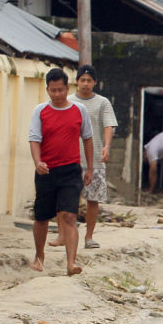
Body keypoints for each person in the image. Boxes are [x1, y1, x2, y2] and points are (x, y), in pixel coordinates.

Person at [28, 68, 93, 275]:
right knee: (41, 216)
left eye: (61, 90)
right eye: (53, 90)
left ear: (67, 88)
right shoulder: (40, 111)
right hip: (46, 171)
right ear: (47, 89)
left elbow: (88, 138)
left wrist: (90, 167)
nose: (57, 94)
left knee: (69, 216)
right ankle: (39, 256)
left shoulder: (79, 110)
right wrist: (38, 163)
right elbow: (34, 139)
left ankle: (71, 263)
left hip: (71, 170)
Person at [65, 65, 117, 249]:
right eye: (82, 80)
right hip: (69, 159)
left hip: (94, 160)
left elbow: (108, 125)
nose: (85, 84)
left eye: (89, 80)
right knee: (66, 199)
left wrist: (106, 146)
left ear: (94, 82)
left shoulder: (103, 103)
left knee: (92, 200)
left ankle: (88, 236)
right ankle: (65, 235)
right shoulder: (68, 101)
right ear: (77, 81)